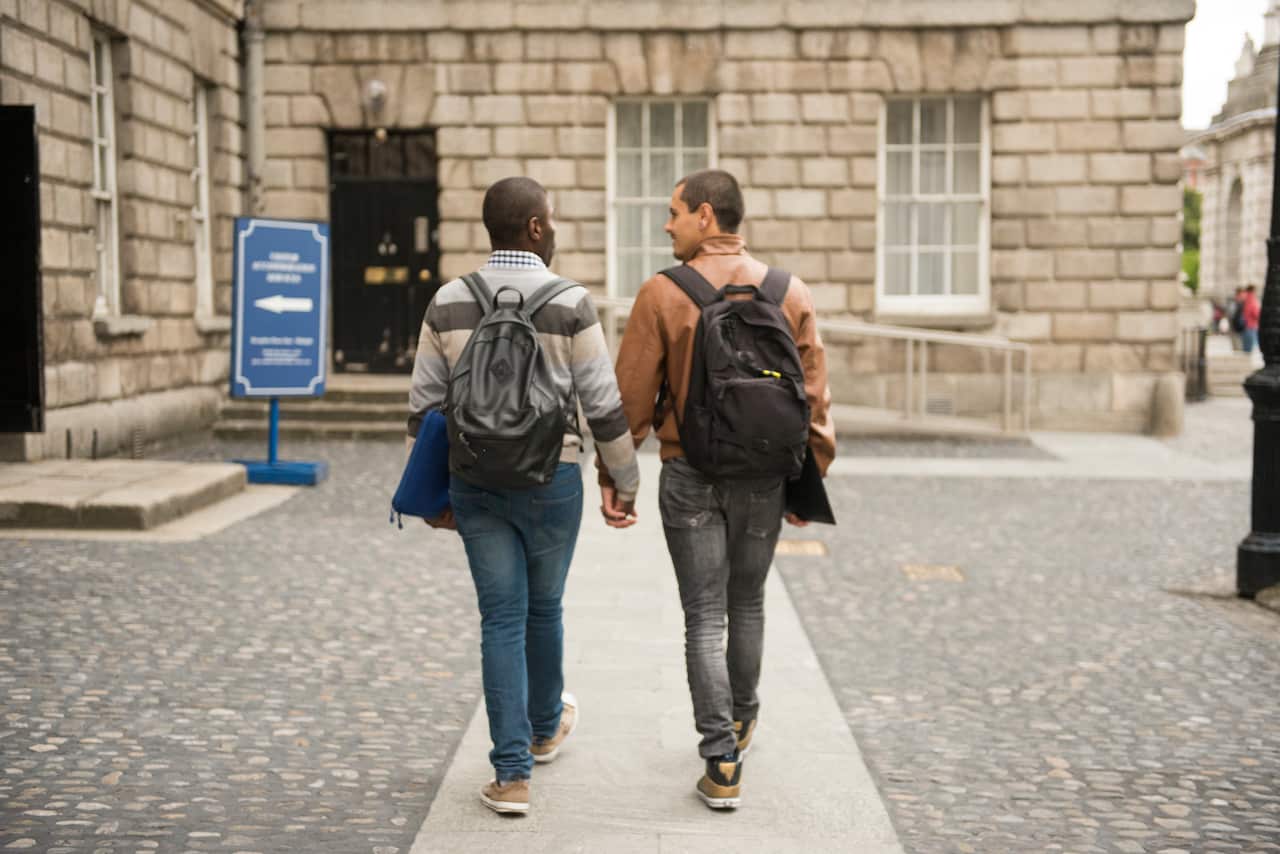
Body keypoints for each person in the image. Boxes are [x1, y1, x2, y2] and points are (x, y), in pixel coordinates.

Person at [599, 169, 835, 810]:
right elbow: (814, 397)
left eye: (673, 212)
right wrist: (806, 478)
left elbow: (628, 402)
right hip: (764, 476)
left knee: (704, 615)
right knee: (748, 602)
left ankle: (720, 762)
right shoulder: (790, 292)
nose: (667, 224)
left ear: (706, 215)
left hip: (691, 475)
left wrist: (615, 478)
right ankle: (742, 719)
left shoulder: (662, 294)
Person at [408, 177, 640, 815]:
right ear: (536, 229)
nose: (556, 227)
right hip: (553, 478)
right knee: (545, 609)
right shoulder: (570, 302)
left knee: (500, 620)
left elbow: (424, 408)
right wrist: (624, 478)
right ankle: (543, 729)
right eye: (554, 219)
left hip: (475, 482)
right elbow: (602, 403)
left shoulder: (448, 301)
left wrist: (431, 496)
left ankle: (510, 777)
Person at [1242, 284, 1262, 354]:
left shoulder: (1244, 298)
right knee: (1253, 349)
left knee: (1246, 349)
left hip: (1245, 325)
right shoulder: (1252, 299)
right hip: (1252, 325)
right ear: (1253, 291)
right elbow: (1255, 313)